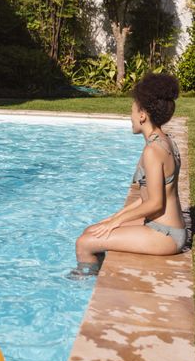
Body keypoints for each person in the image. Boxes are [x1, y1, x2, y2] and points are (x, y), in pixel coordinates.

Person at [74, 74, 187, 272]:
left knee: (84, 243)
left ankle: (84, 284)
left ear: (142, 115)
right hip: (165, 228)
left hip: (165, 235)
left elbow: (155, 203)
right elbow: (148, 197)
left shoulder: (152, 151)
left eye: (132, 111)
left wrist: (117, 222)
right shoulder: (166, 141)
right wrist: (115, 217)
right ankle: (96, 271)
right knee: (91, 231)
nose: (131, 117)